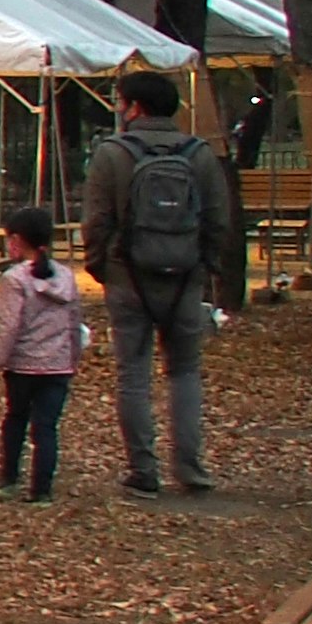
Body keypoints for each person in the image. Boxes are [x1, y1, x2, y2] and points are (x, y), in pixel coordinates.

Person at [83, 67, 238, 495]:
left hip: (127, 275)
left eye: (120, 101)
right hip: (186, 276)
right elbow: (218, 220)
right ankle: (190, 468)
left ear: (135, 107)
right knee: (185, 372)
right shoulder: (200, 154)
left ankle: (143, 471)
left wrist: (102, 268)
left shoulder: (113, 154)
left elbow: (96, 222)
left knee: (132, 374)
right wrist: (202, 265)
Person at [0, 204, 84, 501]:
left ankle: (8, 477)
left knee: (16, 419)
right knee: (46, 428)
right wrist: (73, 358)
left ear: (16, 239)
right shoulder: (65, 276)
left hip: (23, 365)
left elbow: (9, 326)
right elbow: (74, 321)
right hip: (58, 364)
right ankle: (41, 490)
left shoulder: (14, 280)